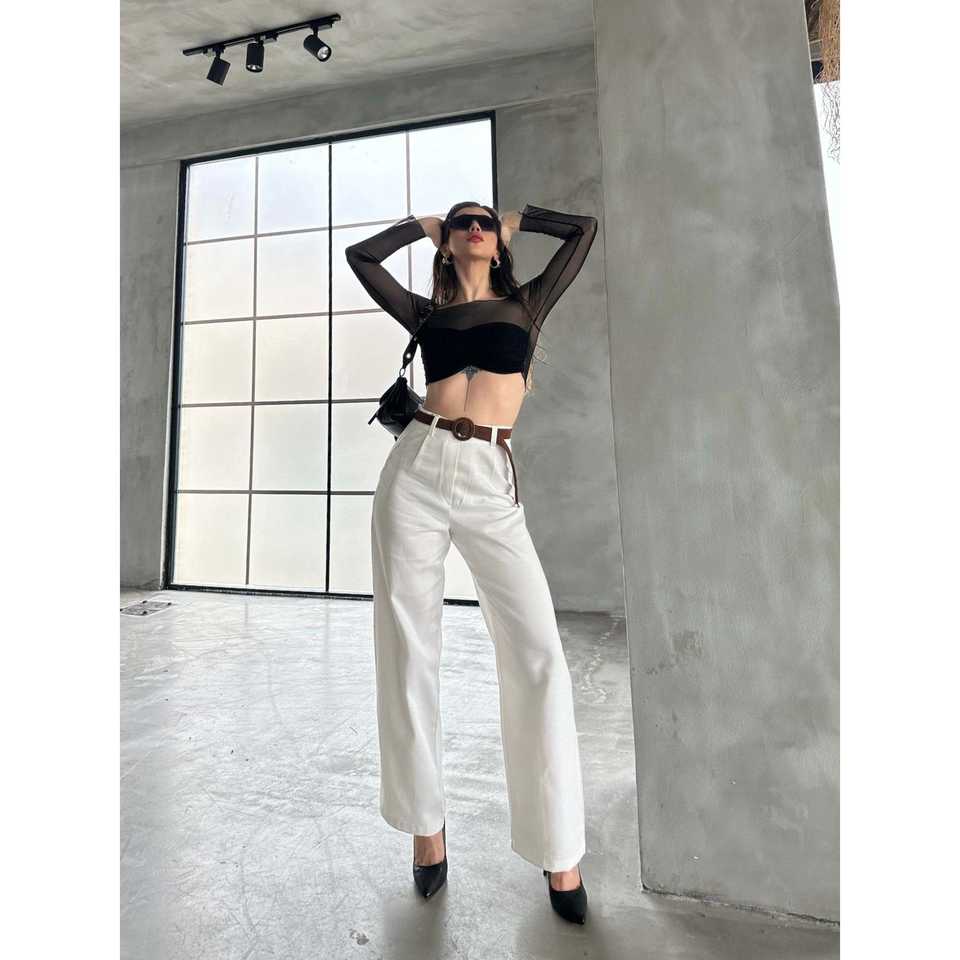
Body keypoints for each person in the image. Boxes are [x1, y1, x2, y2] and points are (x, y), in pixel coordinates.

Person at [345, 201, 598, 924]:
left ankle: (560, 850)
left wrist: (518, 216)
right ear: (449, 244)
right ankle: (426, 831)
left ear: (498, 241)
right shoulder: (426, 314)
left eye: (483, 222)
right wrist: (424, 225)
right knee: (408, 649)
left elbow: (583, 231)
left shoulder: (527, 304)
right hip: (416, 471)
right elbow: (361, 258)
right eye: (465, 222)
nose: (476, 227)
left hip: (490, 478)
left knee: (539, 656)